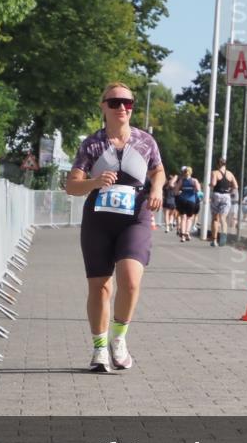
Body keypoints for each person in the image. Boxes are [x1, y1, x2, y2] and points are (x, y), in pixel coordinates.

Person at [65, 83, 164, 372]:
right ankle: (99, 349)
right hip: (99, 219)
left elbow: (158, 170)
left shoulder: (146, 141)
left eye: (128, 103)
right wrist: (94, 182)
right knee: (100, 287)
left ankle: (118, 340)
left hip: (136, 216)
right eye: (115, 102)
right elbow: (71, 186)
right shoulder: (92, 144)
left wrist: (157, 188)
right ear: (104, 106)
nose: (122, 108)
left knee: (130, 280)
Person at [209, 158, 238, 247]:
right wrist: (230, 190)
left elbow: (213, 184)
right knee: (223, 218)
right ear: (225, 164)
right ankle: (224, 236)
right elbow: (236, 186)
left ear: (218, 164)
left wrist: (209, 185)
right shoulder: (230, 174)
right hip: (226, 196)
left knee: (215, 218)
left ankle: (214, 240)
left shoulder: (215, 172)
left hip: (217, 195)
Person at [174, 166, 201, 242]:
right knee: (189, 218)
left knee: (183, 217)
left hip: (182, 200)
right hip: (191, 201)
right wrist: (193, 189)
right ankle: (187, 232)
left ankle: (182, 235)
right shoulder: (194, 180)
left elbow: (176, 191)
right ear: (191, 172)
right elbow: (198, 190)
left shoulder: (181, 180)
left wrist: (180, 192)